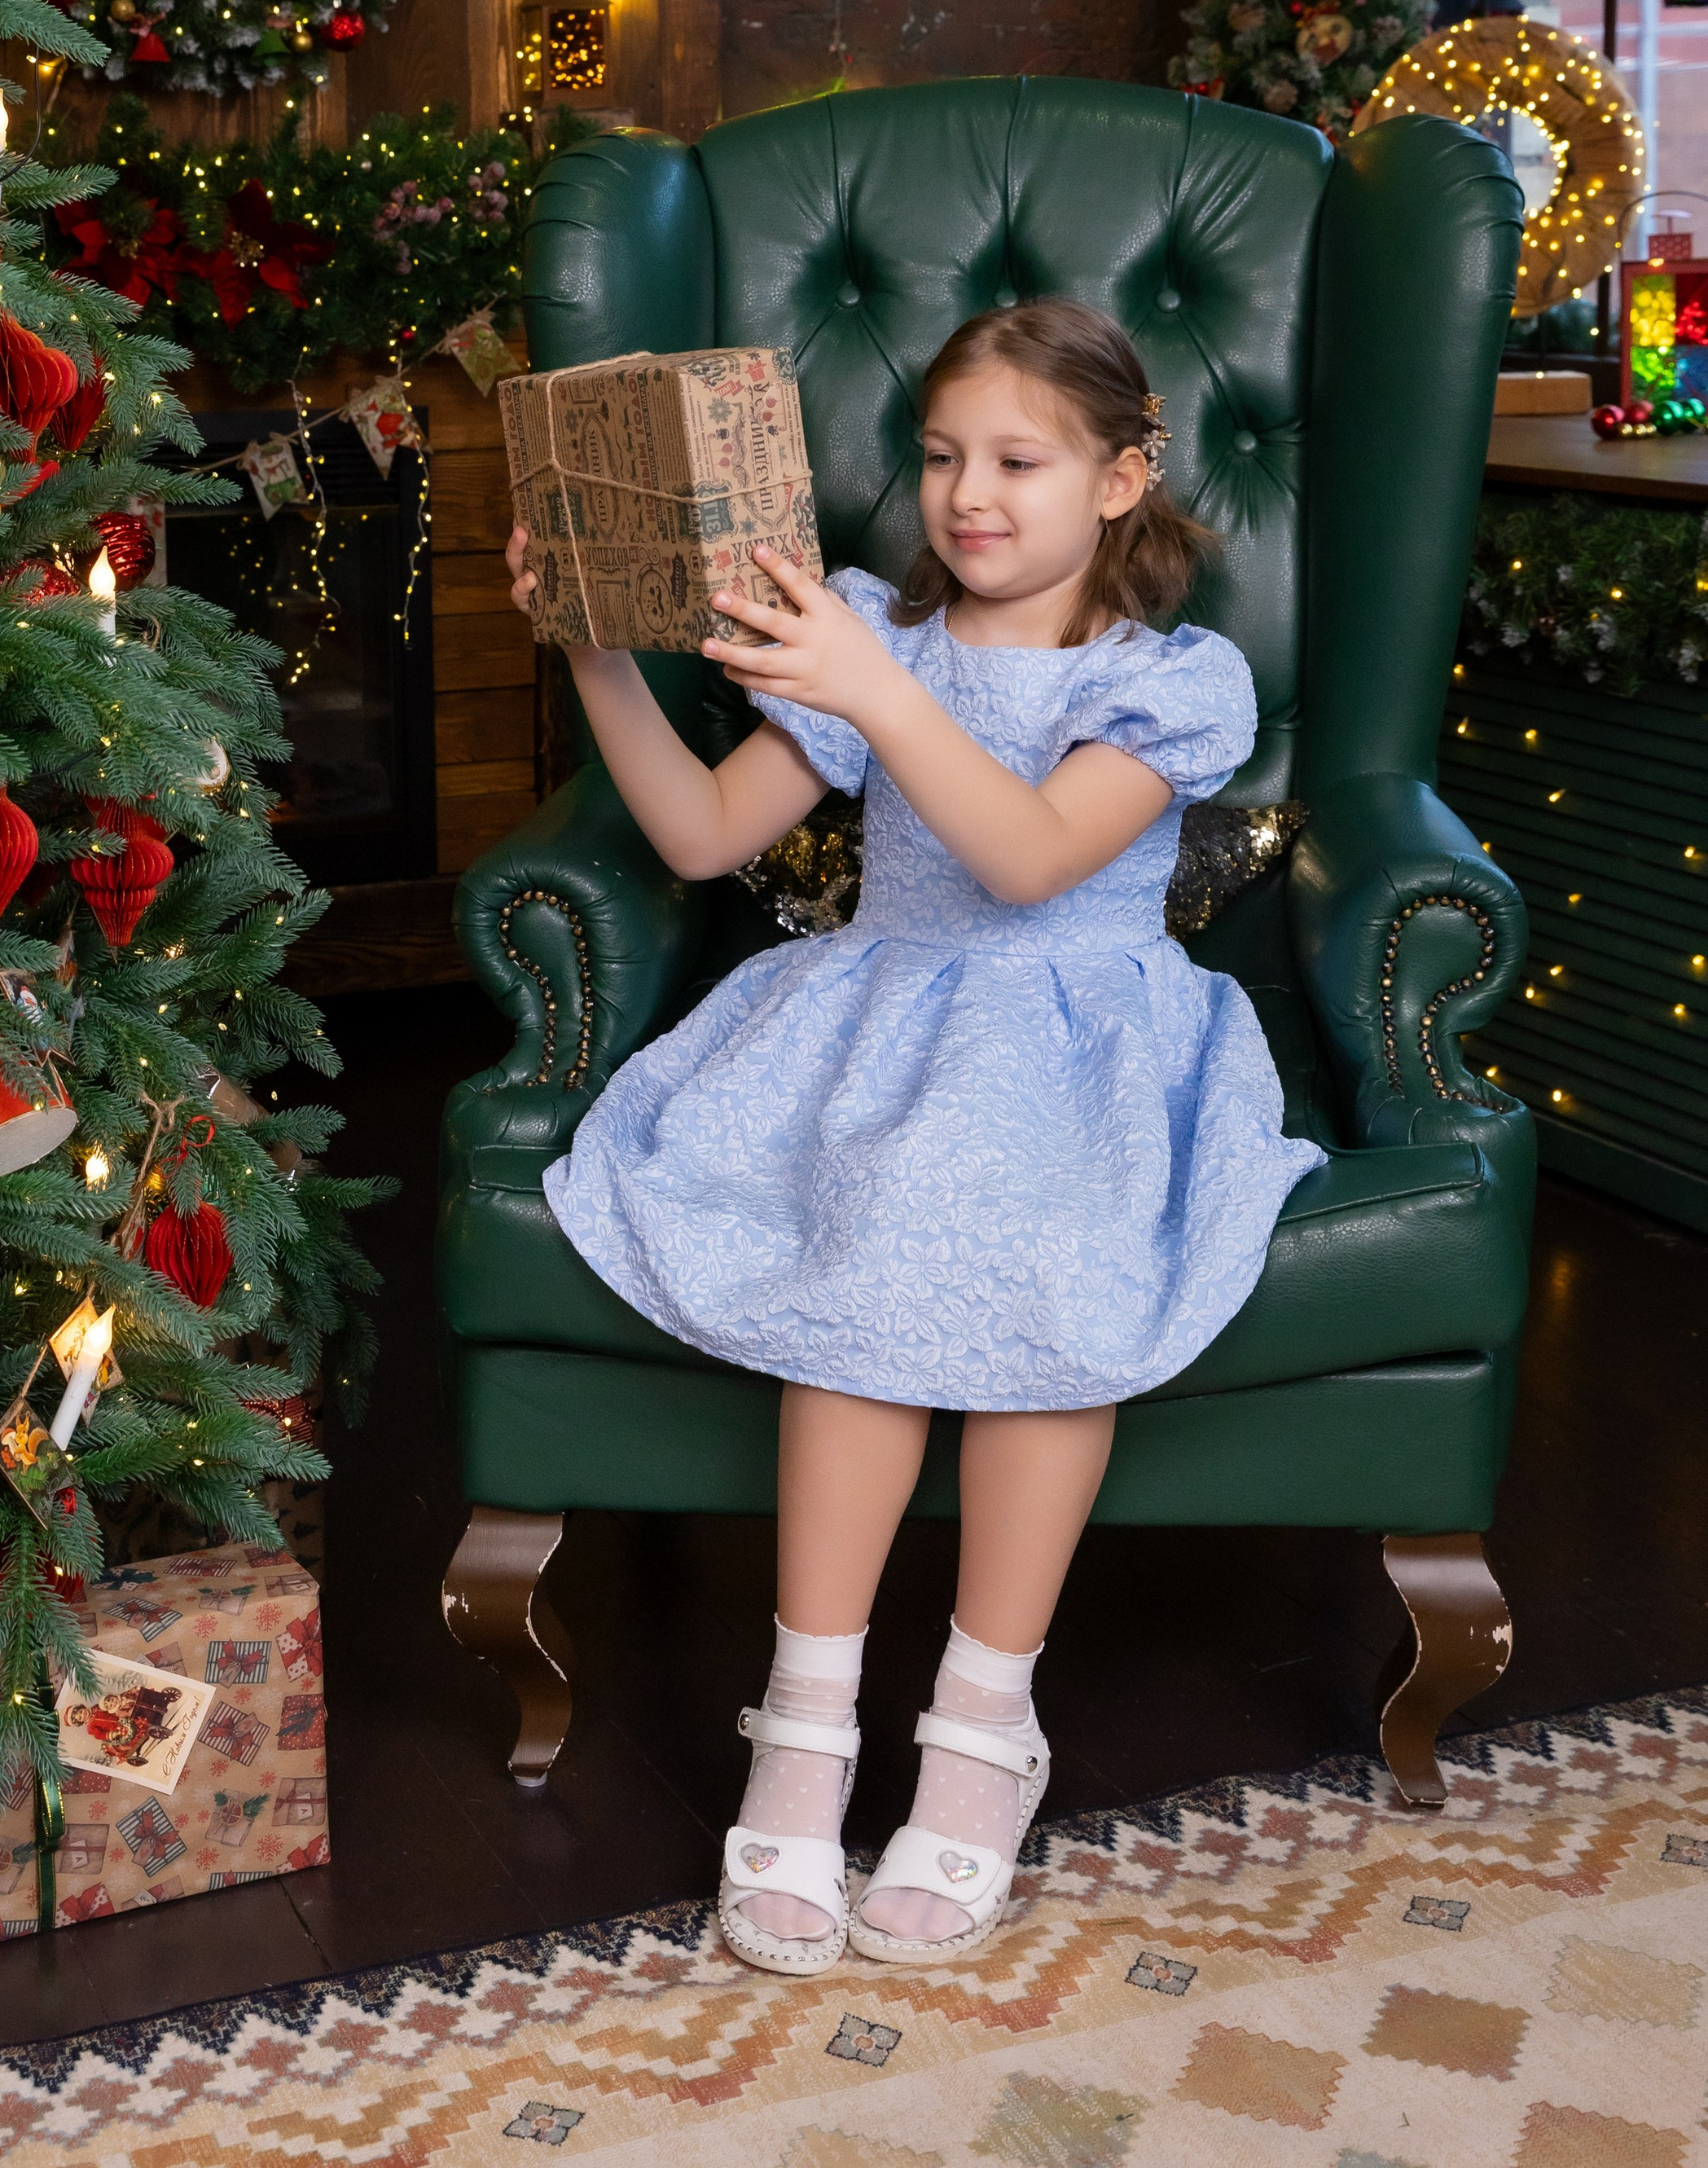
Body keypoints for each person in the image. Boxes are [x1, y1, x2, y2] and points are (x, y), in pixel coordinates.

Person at [505, 299, 1319, 1976]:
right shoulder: (876, 631)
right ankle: (803, 1731)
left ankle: (978, 1732)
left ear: (1120, 477)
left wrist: (875, 688)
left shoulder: (1162, 681)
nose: (968, 494)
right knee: (869, 1242)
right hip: (886, 1018)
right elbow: (697, 826)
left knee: (1048, 1283)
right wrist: (592, 643)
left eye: (1019, 460)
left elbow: (1028, 857)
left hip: (1083, 1040)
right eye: (943, 456)